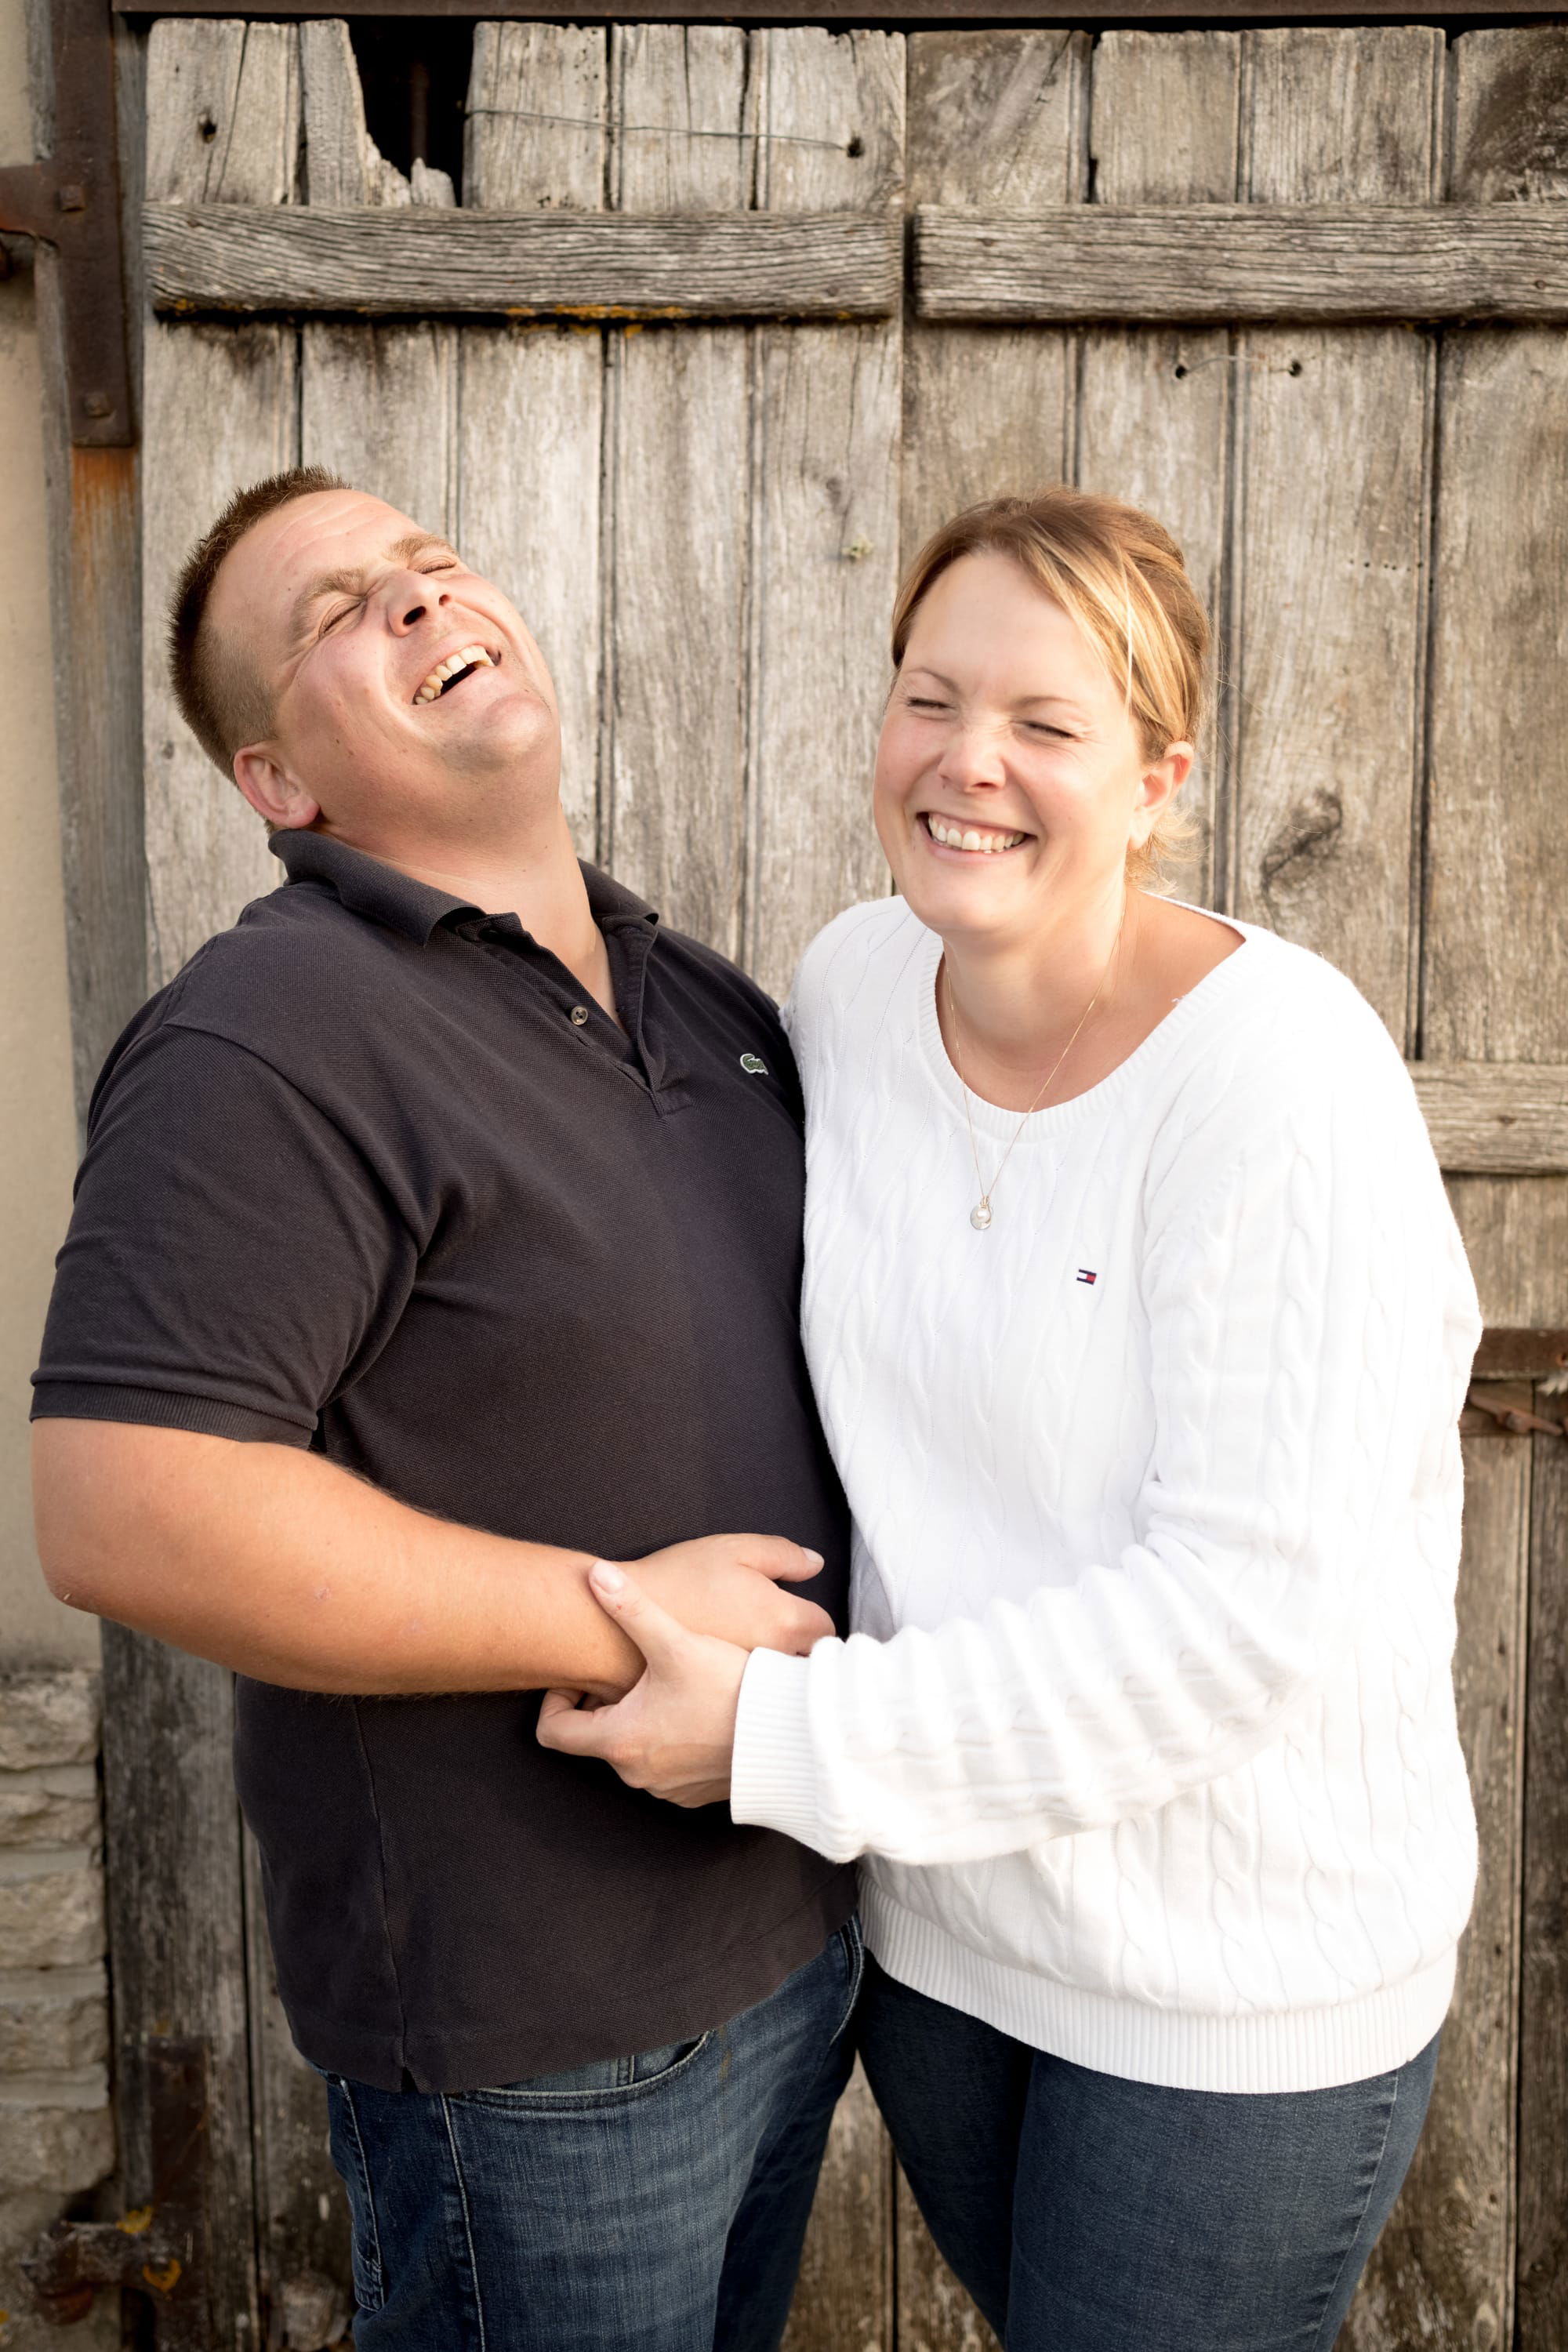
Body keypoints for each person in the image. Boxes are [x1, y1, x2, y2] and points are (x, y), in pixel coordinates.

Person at [539, 487, 1483, 2352]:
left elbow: (1231, 1626)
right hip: (944, 1945)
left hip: (1231, 1995)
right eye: (927, 697)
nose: (969, 764)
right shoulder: (850, 989)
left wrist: (778, 1732)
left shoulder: (1280, 1083)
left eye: (1048, 725)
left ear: (1158, 780)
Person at [31, 469, 864, 2352]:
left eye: (430, 566)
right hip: (535, 2044)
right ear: (278, 787)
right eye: (339, 612)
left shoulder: (697, 992)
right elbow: (124, 1506)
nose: (414, 601)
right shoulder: (271, 1034)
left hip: (790, 1944)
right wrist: (615, 1617)